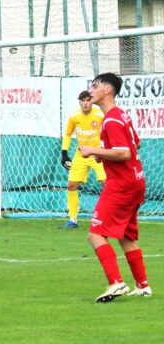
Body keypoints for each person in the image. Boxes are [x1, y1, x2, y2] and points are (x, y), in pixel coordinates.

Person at [78, 73, 151, 302]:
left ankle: (116, 283)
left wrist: (94, 151)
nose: (91, 89)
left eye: (95, 85)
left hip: (121, 185)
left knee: (95, 234)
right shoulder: (120, 115)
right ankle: (143, 286)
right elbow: (135, 143)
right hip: (135, 181)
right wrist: (106, 156)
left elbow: (124, 152)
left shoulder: (110, 119)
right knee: (126, 236)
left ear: (107, 90)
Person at [60, 91, 106, 229]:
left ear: (92, 101)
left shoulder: (99, 115)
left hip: (98, 155)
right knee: (71, 185)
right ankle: (73, 220)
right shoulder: (74, 116)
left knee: (107, 184)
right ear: (79, 102)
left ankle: (109, 217)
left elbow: (107, 132)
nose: (85, 103)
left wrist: (105, 151)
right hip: (81, 155)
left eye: (88, 100)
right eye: (83, 100)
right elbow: (68, 134)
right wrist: (64, 153)